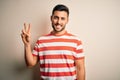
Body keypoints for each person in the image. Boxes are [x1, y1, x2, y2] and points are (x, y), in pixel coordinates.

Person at [21, 4, 85, 80]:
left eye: (62, 18)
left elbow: (80, 69)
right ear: (51, 18)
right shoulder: (41, 40)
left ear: (67, 20)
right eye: (56, 18)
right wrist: (27, 45)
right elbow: (30, 64)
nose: (58, 22)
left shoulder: (76, 41)